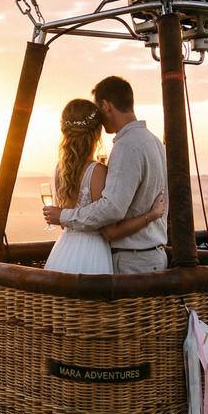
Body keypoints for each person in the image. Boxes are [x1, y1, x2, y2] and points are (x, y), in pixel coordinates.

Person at [43, 77, 169, 275]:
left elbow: (112, 210)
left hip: (130, 259)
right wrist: (152, 215)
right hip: (151, 254)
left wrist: (63, 216)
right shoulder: (154, 142)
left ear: (106, 105)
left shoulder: (125, 146)